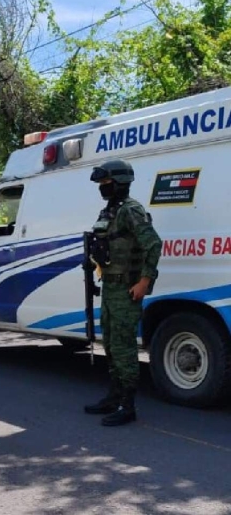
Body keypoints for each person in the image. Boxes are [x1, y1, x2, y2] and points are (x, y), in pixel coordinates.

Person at [84, 159, 161, 427]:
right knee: (111, 345)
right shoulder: (110, 211)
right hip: (110, 287)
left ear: (119, 183)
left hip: (126, 290)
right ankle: (114, 396)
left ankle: (128, 406)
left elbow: (153, 245)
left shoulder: (131, 210)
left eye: (106, 183)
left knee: (125, 347)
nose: (103, 188)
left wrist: (144, 282)